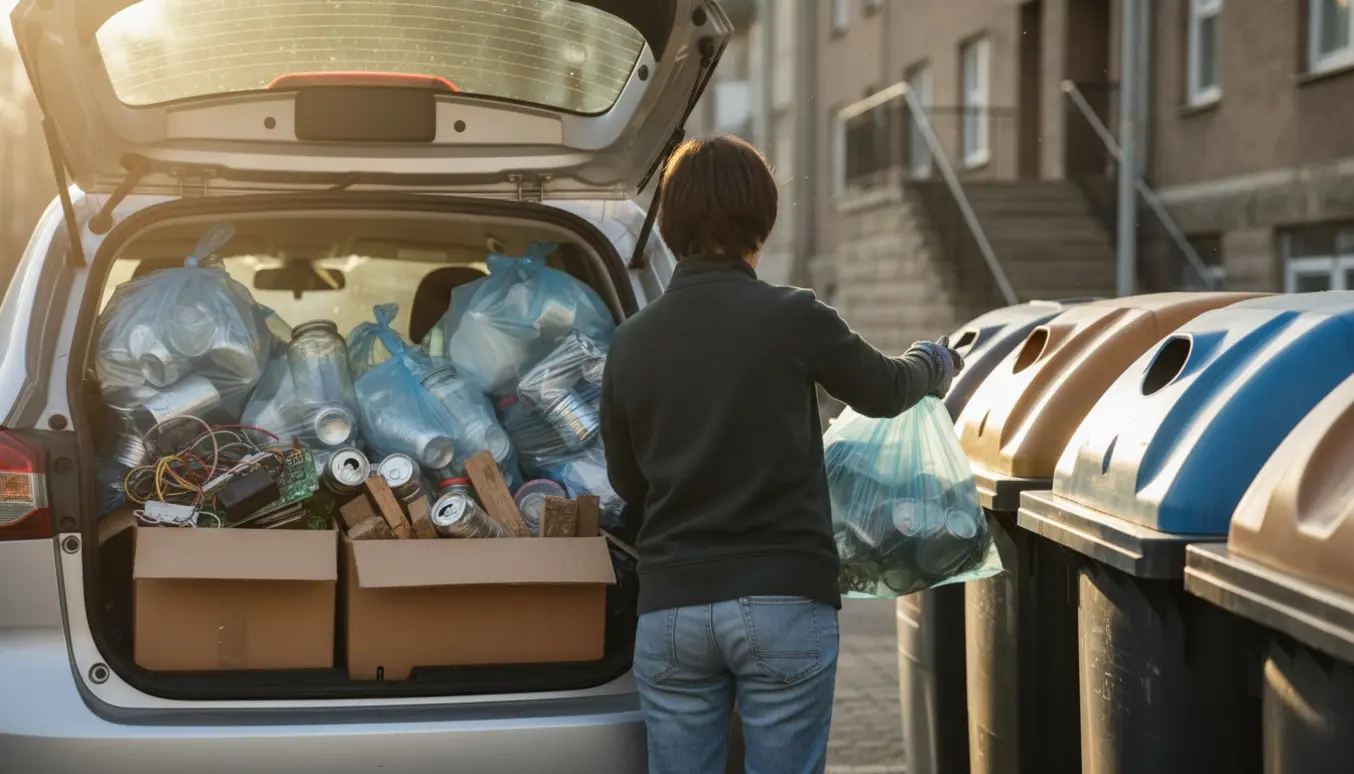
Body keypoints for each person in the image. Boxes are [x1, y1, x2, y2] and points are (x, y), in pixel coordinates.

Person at [599, 135, 963, 774]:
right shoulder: (794, 316)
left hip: (673, 606)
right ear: (761, 225)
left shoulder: (630, 342)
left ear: (670, 228)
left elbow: (628, 482)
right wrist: (932, 362)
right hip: (784, 600)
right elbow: (885, 390)